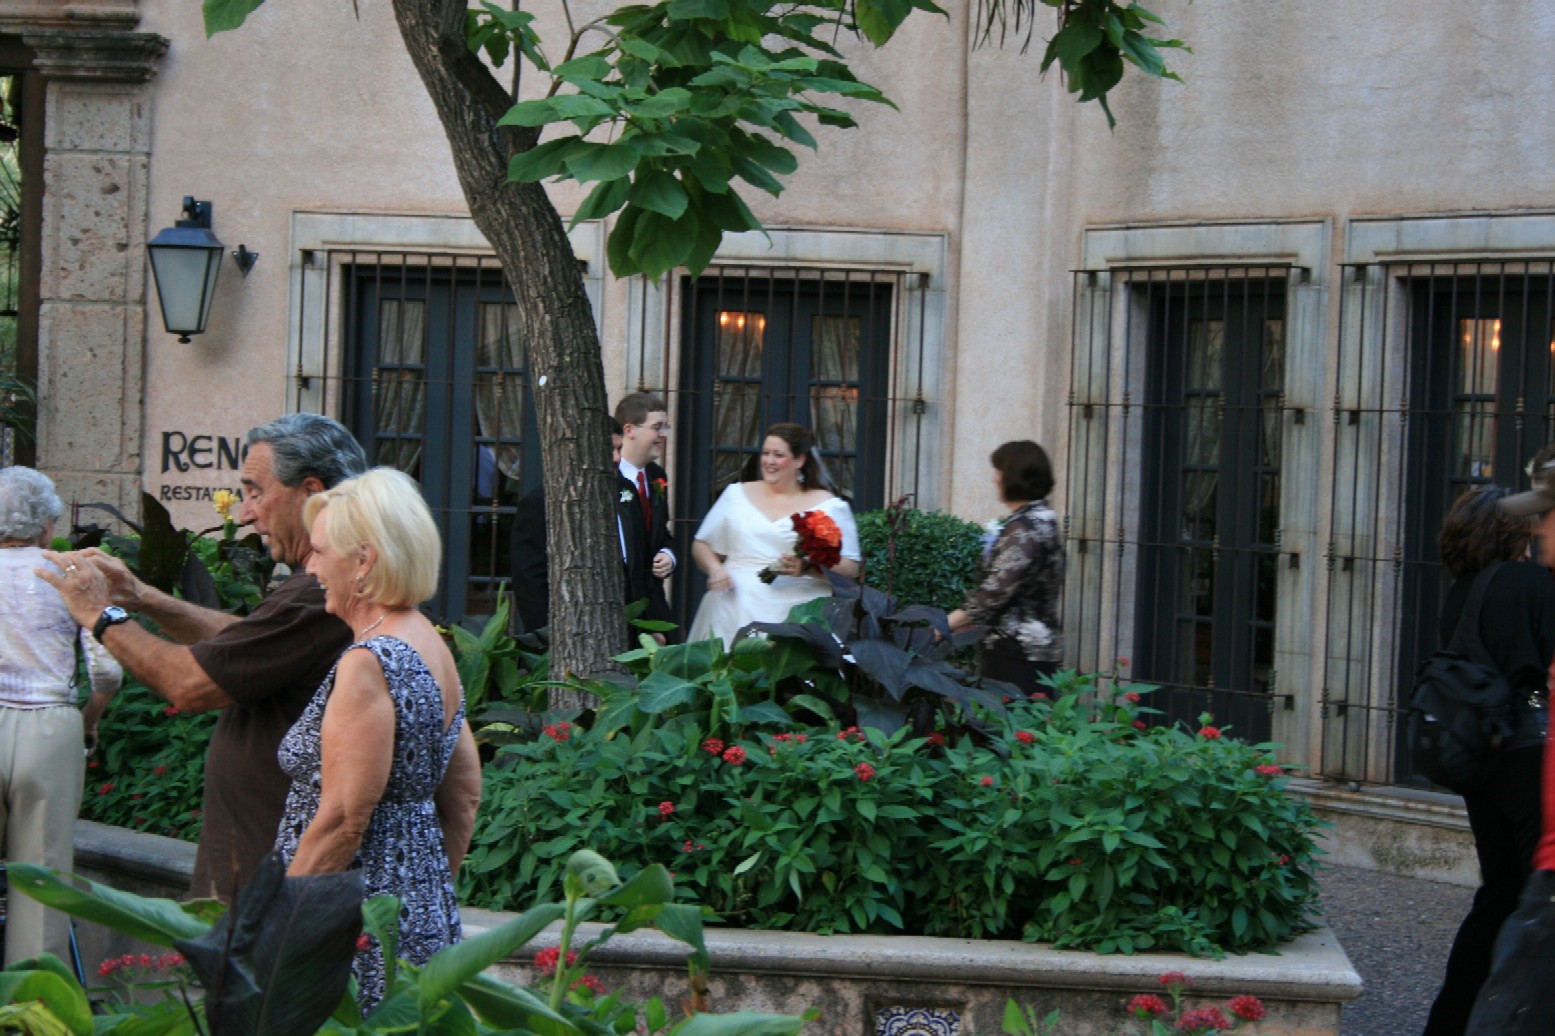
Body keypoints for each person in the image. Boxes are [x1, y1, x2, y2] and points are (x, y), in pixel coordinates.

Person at [38, 413, 366, 903]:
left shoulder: (323, 591)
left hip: (275, 884)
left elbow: (191, 686)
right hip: (265, 871)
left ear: (310, 491)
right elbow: (247, 643)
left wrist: (98, 615)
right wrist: (144, 597)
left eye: (256, 492)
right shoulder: (313, 590)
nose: (244, 514)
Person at [277, 467, 481, 1011]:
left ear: (363, 560)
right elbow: (464, 797)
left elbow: (344, 817)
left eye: (320, 551)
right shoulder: (432, 646)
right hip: (417, 913)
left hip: (354, 924)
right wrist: (428, 897)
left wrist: (275, 934)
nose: (309, 564)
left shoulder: (368, 663)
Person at [1417, 484, 1555, 1036]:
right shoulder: (1527, 583)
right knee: (1534, 894)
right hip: (1529, 754)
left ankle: (1451, 1019)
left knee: (1498, 891)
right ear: (1513, 531)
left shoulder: (1464, 590)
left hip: (1483, 756)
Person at [0, 467, 121, 964]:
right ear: (48, 524)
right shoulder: (70, 574)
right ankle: (31, 1011)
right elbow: (108, 671)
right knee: (44, 880)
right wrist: (90, 719)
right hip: (50, 725)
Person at [688, 423, 861, 647]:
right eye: (766, 453)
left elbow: (851, 567)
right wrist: (715, 569)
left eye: (778, 455)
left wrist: (808, 563)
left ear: (800, 460)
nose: (769, 461)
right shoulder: (736, 494)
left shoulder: (828, 506)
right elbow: (702, 545)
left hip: (799, 603)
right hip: (736, 600)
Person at [946, 441, 1065, 697]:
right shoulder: (1044, 519)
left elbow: (993, 594)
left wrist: (942, 626)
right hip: (1037, 648)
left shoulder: (1024, 528)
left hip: (1015, 653)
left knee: (1007, 731)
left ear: (1013, 477)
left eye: (999, 471)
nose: (994, 479)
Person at [616, 393, 678, 643]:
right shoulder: (609, 477)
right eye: (656, 427)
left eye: (665, 427)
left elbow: (661, 532)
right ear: (629, 430)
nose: (662, 435)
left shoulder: (657, 475)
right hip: (620, 603)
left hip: (653, 601)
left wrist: (669, 556)